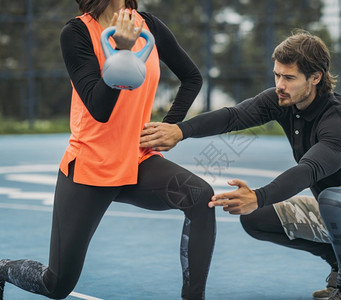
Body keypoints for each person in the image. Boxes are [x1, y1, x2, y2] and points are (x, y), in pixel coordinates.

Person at [139, 30, 341, 300]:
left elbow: (310, 170)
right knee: (256, 218)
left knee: (332, 199)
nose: (280, 84)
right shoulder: (282, 100)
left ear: (315, 77)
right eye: (277, 74)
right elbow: (233, 117)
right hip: (333, 206)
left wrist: (257, 195)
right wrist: (180, 131)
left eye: (289, 78)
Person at [0, 1, 216, 299]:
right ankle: (1, 268)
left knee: (200, 195)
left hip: (138, 161)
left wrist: (170, 127)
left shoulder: (149, 25)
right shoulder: (76, 33)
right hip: (91, 166)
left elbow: (192, 78)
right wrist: (123, 52)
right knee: (57, 284)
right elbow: (99, 108)